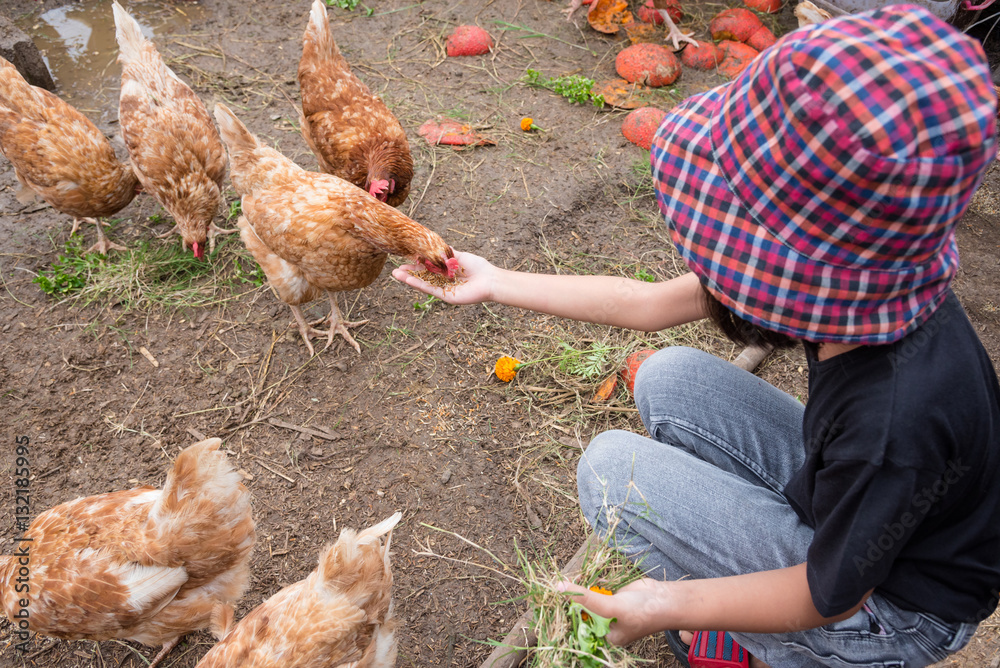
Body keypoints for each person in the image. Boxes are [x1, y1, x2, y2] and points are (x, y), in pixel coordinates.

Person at [392, 5, 1000, 667]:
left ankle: (785, 648)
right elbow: (649, 304)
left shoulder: (893, 423)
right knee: (670, 375)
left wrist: (666, 604)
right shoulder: (873, 288)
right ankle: (750, 610)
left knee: (612, 473)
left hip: (892, 609)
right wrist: (496, 280)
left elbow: (833, 595)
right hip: (857, 523)